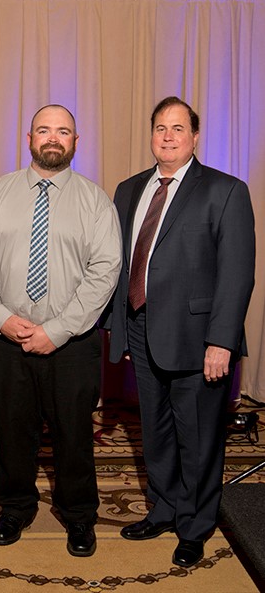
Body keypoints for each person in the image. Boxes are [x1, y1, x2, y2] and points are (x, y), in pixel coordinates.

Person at [0, 105, 121, 557]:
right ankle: (15, 508)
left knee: (74, 433)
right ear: (28, 137)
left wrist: (58, 330)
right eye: (45, 130)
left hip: (72, 342)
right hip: (7, 337)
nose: (54, 138)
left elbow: (104, 271)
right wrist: (0, 318)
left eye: (64, 131)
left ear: (76, 141)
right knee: (12, 431)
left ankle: (78, 516)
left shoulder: (95, 200)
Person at [105, 97, 255, 567]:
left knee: (199, 438)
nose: (167, 136)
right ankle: (165, 509)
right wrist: (122, 330)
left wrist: (222, 341)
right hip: (142, 329)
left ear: (194, 137)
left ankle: (195, 525)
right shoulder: (129, 190)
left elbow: (237, 274)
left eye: (177, 128)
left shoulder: (225, 190)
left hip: (199, 338)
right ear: (151, 135)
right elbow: (123, 265)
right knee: (156, 434)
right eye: (159, 128)